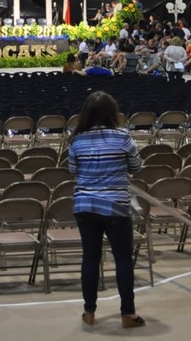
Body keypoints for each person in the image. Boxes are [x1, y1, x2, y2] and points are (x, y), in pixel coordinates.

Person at [67, 91, 145, 329]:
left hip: (85, 204)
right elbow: (137, 166)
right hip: (115, 205)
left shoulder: (76, 139)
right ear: (112, 112)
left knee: (90, 258)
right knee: (122, 259)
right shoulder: (122, 136)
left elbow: (72, 170)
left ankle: (89, 312)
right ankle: (128, 313)